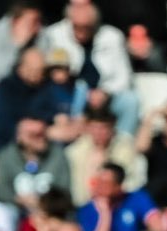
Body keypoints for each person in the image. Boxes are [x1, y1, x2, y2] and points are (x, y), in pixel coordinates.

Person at [40, 0, 138, 134]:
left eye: (86, 27)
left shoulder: (112, 36)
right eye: (77, 27)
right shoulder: (53, 35)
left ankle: (123, 142)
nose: (81, 32)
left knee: (130, 101)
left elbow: (124, 77)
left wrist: (105, 92)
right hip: (69, 94)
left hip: (105, 95)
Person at [78, 162, 161, 231]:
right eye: (97, 181)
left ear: (118, 186)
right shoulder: (86, 211)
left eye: (105, 183)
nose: (99, 186)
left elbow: (158, 228)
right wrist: (105, 214)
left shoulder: (136, 198)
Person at [66, 106, 139, 207]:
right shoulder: (75, 152)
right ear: (88, 128)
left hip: (117, 205)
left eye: (104, 128)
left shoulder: (125, 150)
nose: (99, 133)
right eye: (95, 128)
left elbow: (131, 182)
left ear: (112, 129)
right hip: (82, 205)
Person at [0, 116, 72, 211]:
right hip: (18, 210)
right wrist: (19, 200)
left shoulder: (58, 155)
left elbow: (63, 190)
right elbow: (2, 191)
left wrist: (43, 202)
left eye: (42, 134)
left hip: (50, 210)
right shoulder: (7, 157)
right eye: (34, 135)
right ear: (19, 137)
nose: (40, 139)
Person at [0, 49, 53, 150]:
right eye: (33, 69)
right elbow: (4, 126)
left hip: (44, 144)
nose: (37, 74)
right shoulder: (7, 88)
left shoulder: (46, 86)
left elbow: (51, 115)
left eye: (41, 71)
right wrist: (40, 131)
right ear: (21, 67)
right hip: (11, 146)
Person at [0, 1, 44, 88]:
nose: (38, 28)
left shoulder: (40, 35)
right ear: (16, 22)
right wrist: (18, 45)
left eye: (39, 22)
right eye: (33, 22)